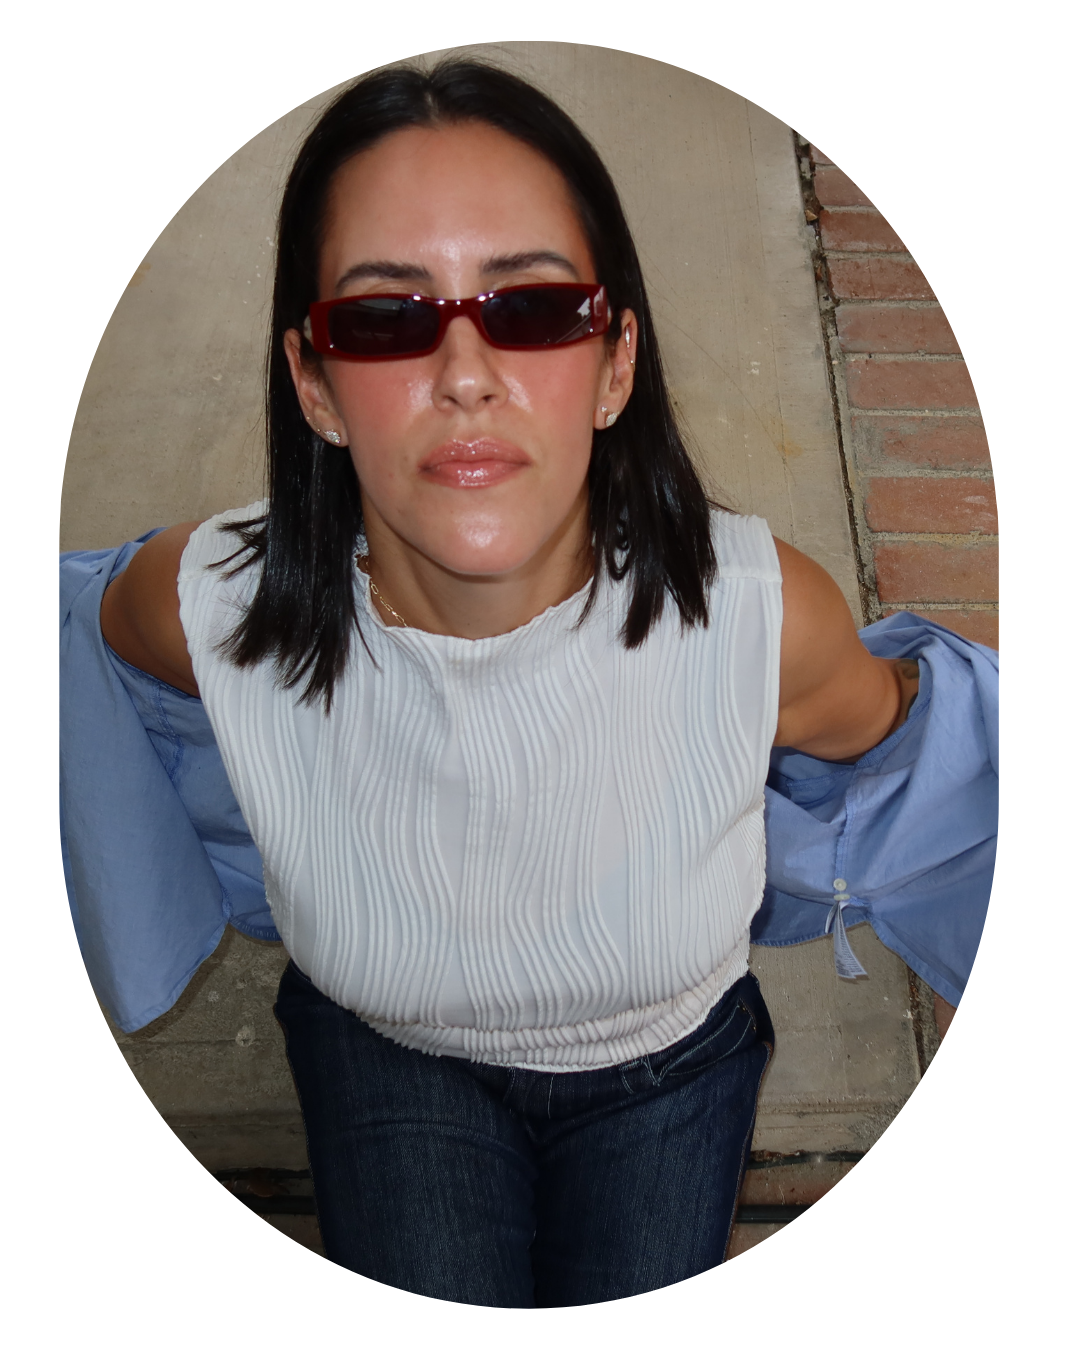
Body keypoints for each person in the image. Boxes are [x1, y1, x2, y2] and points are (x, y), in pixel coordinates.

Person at [62, 59, 993, 1306]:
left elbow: (922, 755)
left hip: (672, 1072)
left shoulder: (765, 620)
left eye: (536, 308)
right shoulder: (203, 609)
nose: (465, 372)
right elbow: (90, 655)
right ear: (315, 384)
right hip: (380, 1052)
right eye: (386, 318)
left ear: (614, 365)